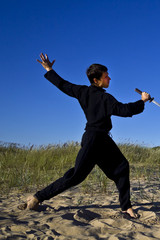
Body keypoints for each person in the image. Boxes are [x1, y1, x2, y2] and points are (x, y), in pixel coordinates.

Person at [26, 53, 151, 218]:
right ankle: (37, 198)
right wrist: (142, 101)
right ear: (96, 80)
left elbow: (63, 85)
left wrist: (49, 69)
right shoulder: (105, 98)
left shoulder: (83, 91)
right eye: (106, 77)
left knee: (122, 167)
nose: (109, 79)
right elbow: (124, 110)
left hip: (102, 140)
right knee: (76, 176)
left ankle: (126, 207)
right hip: (93, 140)